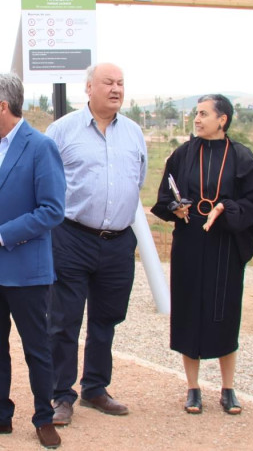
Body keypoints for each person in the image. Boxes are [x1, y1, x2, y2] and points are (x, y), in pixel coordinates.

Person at [0, 73, 65, 449]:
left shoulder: (39, 147)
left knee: (36, 347)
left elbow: (52, 210)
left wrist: (1, 234)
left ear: (3, 106)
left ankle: (43, 417)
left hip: (25, 270)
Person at [44, 63, 147, 425]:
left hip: (118, 242)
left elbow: (138, 182)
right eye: (108, 82)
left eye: (121, 83)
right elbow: (44, 181)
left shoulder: (134, 133)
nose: (116, 89)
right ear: (89, 88)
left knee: (107, 319)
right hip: (71, 237)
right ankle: (60, 395)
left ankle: (96, 388)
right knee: (64, 320)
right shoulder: (62, 131)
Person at [150, 94, 253, 415]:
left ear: (222, 119)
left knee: (224, 313)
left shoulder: (241, 156)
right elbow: (163, 196)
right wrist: (176, 207)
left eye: (203, 113)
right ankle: (193, 388)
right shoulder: (183, 154)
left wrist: (226, 207)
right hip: (189, 241)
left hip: (224, 245)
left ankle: (228, 389)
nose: (197, 119)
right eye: (195, 113)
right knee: (189, 312)